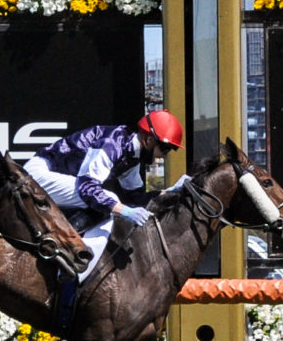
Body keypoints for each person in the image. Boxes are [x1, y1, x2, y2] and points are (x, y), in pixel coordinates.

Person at [21, 109, 183, 272]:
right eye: (165, 149)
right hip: (38, 176)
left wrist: (171, 192)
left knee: (109, 204)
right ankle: (65, 249)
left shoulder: (132, 157)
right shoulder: (113, 144)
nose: (165, 156)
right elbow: (87, 188)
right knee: (110, 200)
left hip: (57, 178)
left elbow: (135, 197)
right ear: (149, 140)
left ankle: (66, 249)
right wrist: (124, 210)